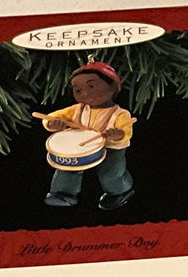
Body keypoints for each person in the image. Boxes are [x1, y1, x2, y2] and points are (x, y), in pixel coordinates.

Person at [42, 60, 136, 210]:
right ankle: (63, 194)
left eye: (91, 86)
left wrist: (118, 134)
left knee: (111, 173)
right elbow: (53, 116)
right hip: (81, 148)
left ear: (113, 86)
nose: (85, 94)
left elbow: (126, 132)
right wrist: (53, 123)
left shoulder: (120, 114)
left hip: (112, 148)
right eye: (78, 91)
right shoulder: (77, 109)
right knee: (68, 166)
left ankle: (120, 191)